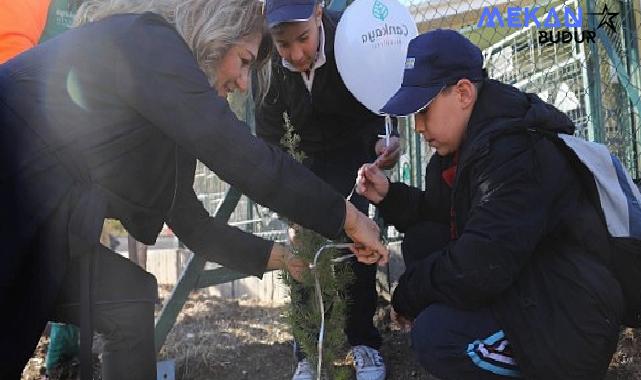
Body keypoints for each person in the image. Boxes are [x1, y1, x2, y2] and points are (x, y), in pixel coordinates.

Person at [0, 0, 389, 378]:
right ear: (216, 34)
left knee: (128, 299)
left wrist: (282, 259)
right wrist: (348, 218)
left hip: (47, 219)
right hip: (14, 192)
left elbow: (192, 224)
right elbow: (241, 155)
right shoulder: (150, 41)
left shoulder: (164, 109)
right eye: (245, 61)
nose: (242, 83)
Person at [356, 30, 623, 379]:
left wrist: (409, 293)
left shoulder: (514, 152)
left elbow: (481, 264)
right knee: (422, 241)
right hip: (528, 290)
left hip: (571, 319)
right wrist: (389, 195)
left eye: (424, 110)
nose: (418, 127)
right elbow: (441, 217)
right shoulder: (458, 150)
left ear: (464, 92)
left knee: (438, 337)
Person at [257, 0, 401, 378]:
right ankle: (307, 350)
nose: (297, 53)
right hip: (297, 159)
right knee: (302, 249)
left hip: (349, 155)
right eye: (284, 44)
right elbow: (269, 139)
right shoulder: (265, 63)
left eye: (303, 38)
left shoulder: (352, 39)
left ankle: (364, 343)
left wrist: (383, 142)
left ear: (319, 12)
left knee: (359, 247)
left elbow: (380, 101)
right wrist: (286, 207)